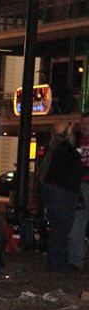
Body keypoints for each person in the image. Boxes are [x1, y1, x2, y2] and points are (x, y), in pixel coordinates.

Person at [38, 121, 84, 274]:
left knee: (57, 229)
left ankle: (54, 263)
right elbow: (75, 171)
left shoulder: (53, 150)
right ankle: (59, 264)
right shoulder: (66, 150)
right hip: (63, 193)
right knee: (62, 229)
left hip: (53, 191)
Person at [67, 112, 89, 270]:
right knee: (78, 223)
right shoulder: (76, 142)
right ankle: (76, 259)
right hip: (81, 185)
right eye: (83, 125)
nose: (85, 128)